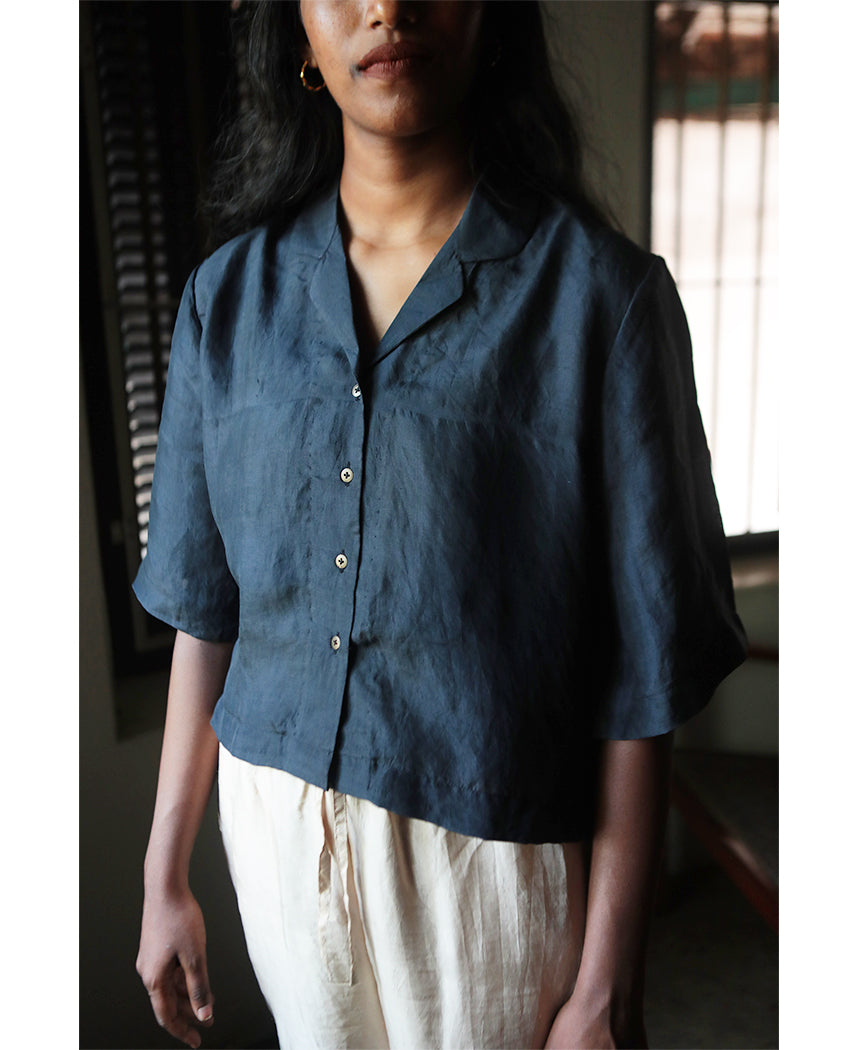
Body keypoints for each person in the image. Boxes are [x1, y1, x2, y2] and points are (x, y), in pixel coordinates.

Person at [133, 2, 747, 1048]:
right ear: (298, 37)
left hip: (489, 874)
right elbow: (207, 614)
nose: (389, 7)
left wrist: (606, 988)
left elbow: (642, 680)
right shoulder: (221, 303)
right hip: (277, 848)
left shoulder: (602, 302)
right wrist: (163, 875)